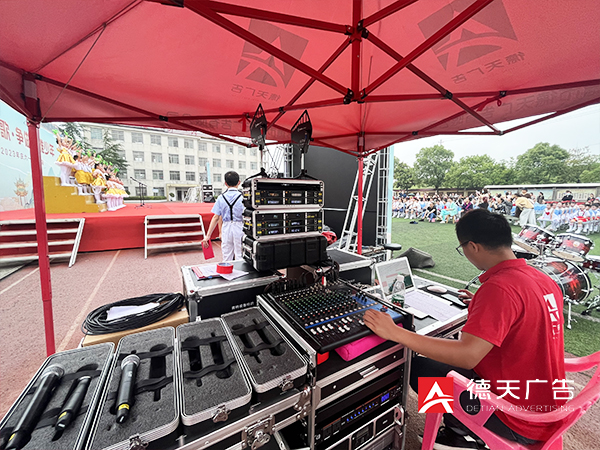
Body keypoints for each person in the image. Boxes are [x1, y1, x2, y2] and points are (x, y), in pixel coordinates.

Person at [364, 209, 566, 449]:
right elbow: (523, 316)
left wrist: (397, 333)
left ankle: (462, 432)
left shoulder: (500, 288)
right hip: (546, 407)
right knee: (436, 363)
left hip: (516, 417)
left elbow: (467, 356)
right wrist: (484, 308)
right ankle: (460, 427)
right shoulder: (541, 278)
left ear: (473, 246)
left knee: (419, 368)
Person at [201, 171, 244, 261]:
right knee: (240, 255)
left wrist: (208, 236)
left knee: (227, 255)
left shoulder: (221, 197)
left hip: (226, 228)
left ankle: (227, 269)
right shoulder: (243, 197)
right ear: (239, 182)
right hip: (240, 227)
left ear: (225, 183)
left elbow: (216, 217)